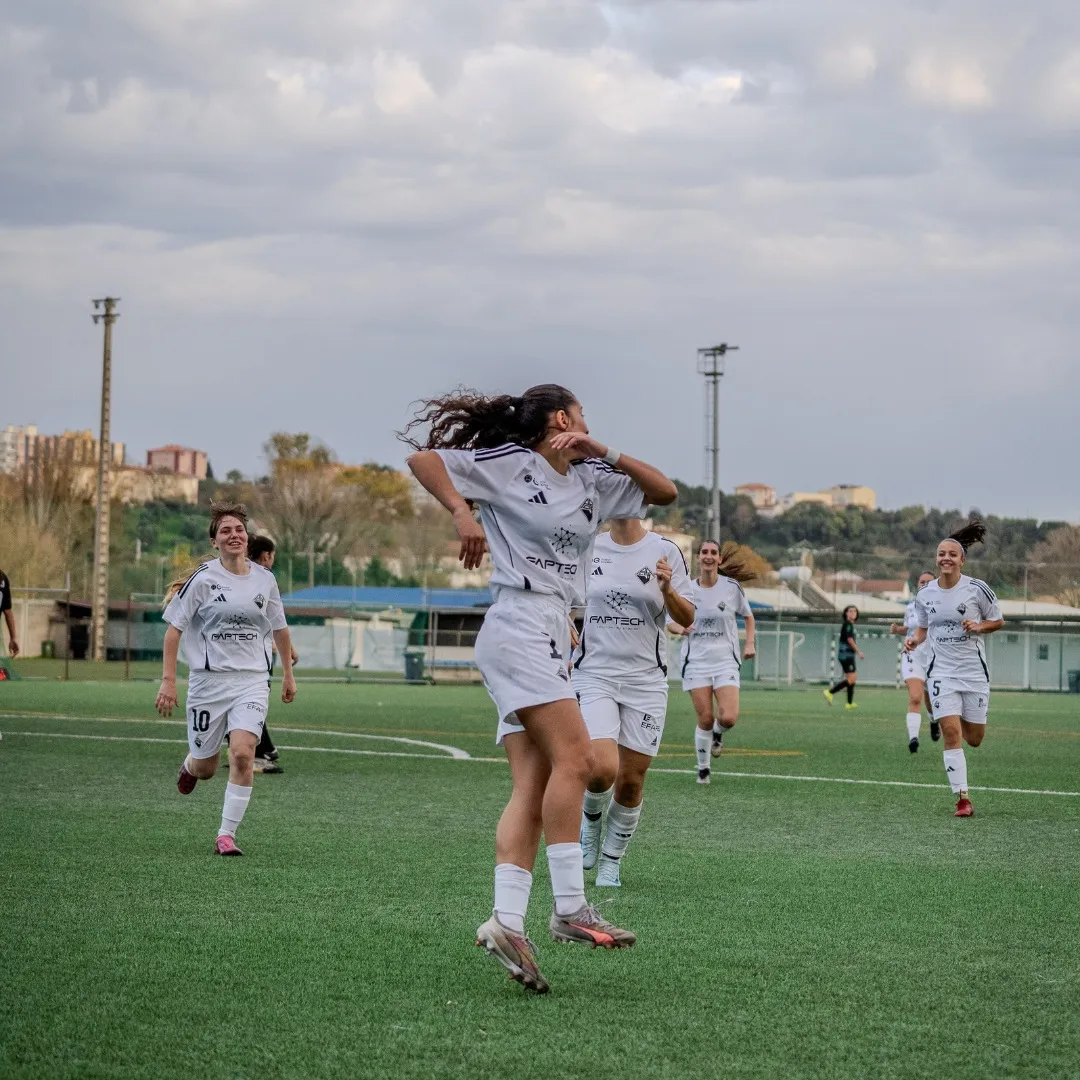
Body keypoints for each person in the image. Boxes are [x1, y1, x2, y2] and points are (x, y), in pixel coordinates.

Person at [403, 384, 677, 994]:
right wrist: (459, 509)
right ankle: (569, 908)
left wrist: (599, 446)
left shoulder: (592, 478)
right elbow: (424, 461)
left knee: (535, 785)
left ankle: (505, 920)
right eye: (582, 413)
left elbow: (665, 491)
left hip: (556, 631)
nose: (587, 421)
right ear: (560, 417)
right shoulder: (511, 466)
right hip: (519, 624)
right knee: (580, 761)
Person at [155, 502, 297, 855]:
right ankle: (190, 764)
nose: (234, 535)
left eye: (238, 530)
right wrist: (168, 681)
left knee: (243, 753)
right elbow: (173, 631)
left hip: (251, 681)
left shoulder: (266, 579)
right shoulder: (203, 579)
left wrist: (288, 675)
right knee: (206, 768)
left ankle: (226, 835)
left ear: (246, 538)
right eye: (225, 531)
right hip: (207, 683)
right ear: (215, 542)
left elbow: (279, 627)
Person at [572, 519, 695, 887]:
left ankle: (612, 861)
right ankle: (590, 822)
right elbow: (562, 591)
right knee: (601, 768)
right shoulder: (590, 546)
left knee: (630, 781)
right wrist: (562, 619)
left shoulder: (665, 551)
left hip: (645, 681)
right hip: (595, 673)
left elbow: (687, 616)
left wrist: (667, 589)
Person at [904, 522, 1003, 817]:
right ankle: (962, 799)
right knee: (950, 731)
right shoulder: (925, 595)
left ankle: (957, 711)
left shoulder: (977, 589)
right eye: (941, 554)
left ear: (962, 560)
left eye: (952, 554)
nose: (946, 558)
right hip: (942, 673)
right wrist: (914, 640)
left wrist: (979, 625)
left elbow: (997, 621)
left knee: (974, 739)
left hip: (973, 673)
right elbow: (923, 629)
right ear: (936, 559)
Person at [668, 540, 757, 785]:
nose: (708, 556)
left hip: (725, 661)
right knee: (705, 718)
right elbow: (669, 620)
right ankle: (703, 769)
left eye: (713, 553)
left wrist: (749, 643)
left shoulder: (731, 587)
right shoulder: (686, 589)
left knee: (727, 717)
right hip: (695, 661)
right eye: (704, 552)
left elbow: (748, 617)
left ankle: (718, 734)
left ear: (719, 559)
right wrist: (679, 627)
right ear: (698, 558)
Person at [247, 534, 300, 775]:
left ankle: (260, 750)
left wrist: (288, 649)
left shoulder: (260, 579)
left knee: (250, 702)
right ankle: (258, 750)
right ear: (267, 555)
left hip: (260, 653)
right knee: (246, 703)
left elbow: (274, 620)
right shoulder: (254, 577)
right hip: (254, 654)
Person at [890, 571, 937, 752]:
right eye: (921, 581)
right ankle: (914, 738)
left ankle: (933, 720)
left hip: (934, 657)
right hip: (913, 654)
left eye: (928, 582)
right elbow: (909, 630)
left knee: (931, 696)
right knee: (915, 697)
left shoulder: (941, 606)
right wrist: (897, 629)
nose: (924, 584)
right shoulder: (911, 607)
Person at [824, 605, 864, 710]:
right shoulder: (848, 625)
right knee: (851, 679)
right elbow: (850, 640)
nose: (853, 613)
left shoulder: (849, 624)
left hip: (847, 655)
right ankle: (829, 692)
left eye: (854, 611)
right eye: (850, 611)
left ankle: (849, 704)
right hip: (846, 655)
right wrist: (858, 652)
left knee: (852, 679)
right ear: (846, 613)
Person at [0, 566, 19, 662]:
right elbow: (7, 612)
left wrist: (13, 638)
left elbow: (7, 611)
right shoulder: (3, 577)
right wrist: (13, 637)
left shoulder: (3, 578)